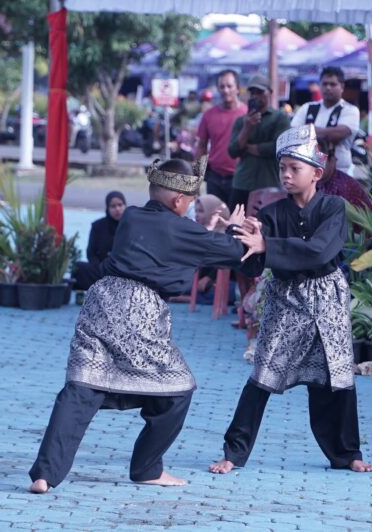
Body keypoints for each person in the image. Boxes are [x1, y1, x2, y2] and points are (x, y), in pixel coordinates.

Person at [28, 157, 249, 493]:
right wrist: (231, 228)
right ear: (178, 200)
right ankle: (147, 468)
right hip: (139, 309)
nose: (190, 208)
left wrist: (206, 231)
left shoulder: (131, 216)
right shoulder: (183, 229)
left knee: (82, 386)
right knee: (178, 388)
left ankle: (45, 474)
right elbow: (232, 252)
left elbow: (177, 240)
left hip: (99, 302)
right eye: (189, 202)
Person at [209, 124, 372, 476]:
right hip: (286, 300)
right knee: (262, 377)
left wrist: (268, 246)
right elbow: (253, 261)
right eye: (282, 168)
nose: (285, 175)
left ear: (316, 172)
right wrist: (239, 235)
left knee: (338, 378)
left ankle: (347, 454)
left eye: (294, 168)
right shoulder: (271, 214)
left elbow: (319, 252)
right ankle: (233, 453)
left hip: (327, 297)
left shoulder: (334, 208)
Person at [227, 75, 291, 211]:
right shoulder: (242, 121)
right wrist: (246, 129)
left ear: (270, 93)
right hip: (242, 182)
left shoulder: (280, 118)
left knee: (265, 226)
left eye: (260, 92)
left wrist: (247, 147)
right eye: (252, 93)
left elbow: (277, 148)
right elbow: (232, 151)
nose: (256, 96)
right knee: (235, 224)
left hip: (268, 182)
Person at [290, 66, 361, 176]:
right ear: (320, 85)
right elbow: (292, 134)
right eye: (324, 84)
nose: (328, 88)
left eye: (333, 84)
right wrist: (324, 133)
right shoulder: (307, 107)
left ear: (342, 86)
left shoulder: (350, 110)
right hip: (309, 175)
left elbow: (336, 134)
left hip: (340, 173)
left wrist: (307, 130)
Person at [196, 70, 248, 205]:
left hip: (240, 178)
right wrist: (197, 178)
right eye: (222, 86)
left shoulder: (248, 115)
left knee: (236, 222)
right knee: (213, 220)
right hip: (215, 177)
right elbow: (201, 146)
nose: (225, 90)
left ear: (237, 88)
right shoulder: (209, 115)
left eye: (229, 86)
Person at [72, 191, 127, 291]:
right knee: (78, 268)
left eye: (120, 205)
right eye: (113, 206)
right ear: (108, 208)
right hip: (102, 270)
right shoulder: (98, 226)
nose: (117, 209)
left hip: (124, 272)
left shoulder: (131, 225)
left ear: (125, 206)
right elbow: (90, 252)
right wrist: (101, 267)